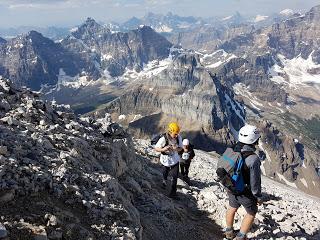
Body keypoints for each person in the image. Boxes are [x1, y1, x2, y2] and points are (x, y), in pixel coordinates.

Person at [224, 125, 262, 240]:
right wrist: (257, 196)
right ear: (253, 140)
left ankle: (229, 232)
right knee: (251, 212)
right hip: (243, 190)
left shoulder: (231, 149)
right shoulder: (253, 159)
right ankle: (241, 237)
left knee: (232, 207)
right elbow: (255, 182)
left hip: (230, 186)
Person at [154, 122, 183, 199]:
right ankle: (164, 180)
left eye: (177, 133)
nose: (176, 135)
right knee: (165, 171)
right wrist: (163, 149)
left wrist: (176, 148)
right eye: (175, 134)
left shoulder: (178, 138)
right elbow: (156, 148)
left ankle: (173, 193)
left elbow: (181, 148)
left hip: (175, 159)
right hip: (165, 160)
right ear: (170, 131)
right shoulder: (163, 139)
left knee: (175, 176)